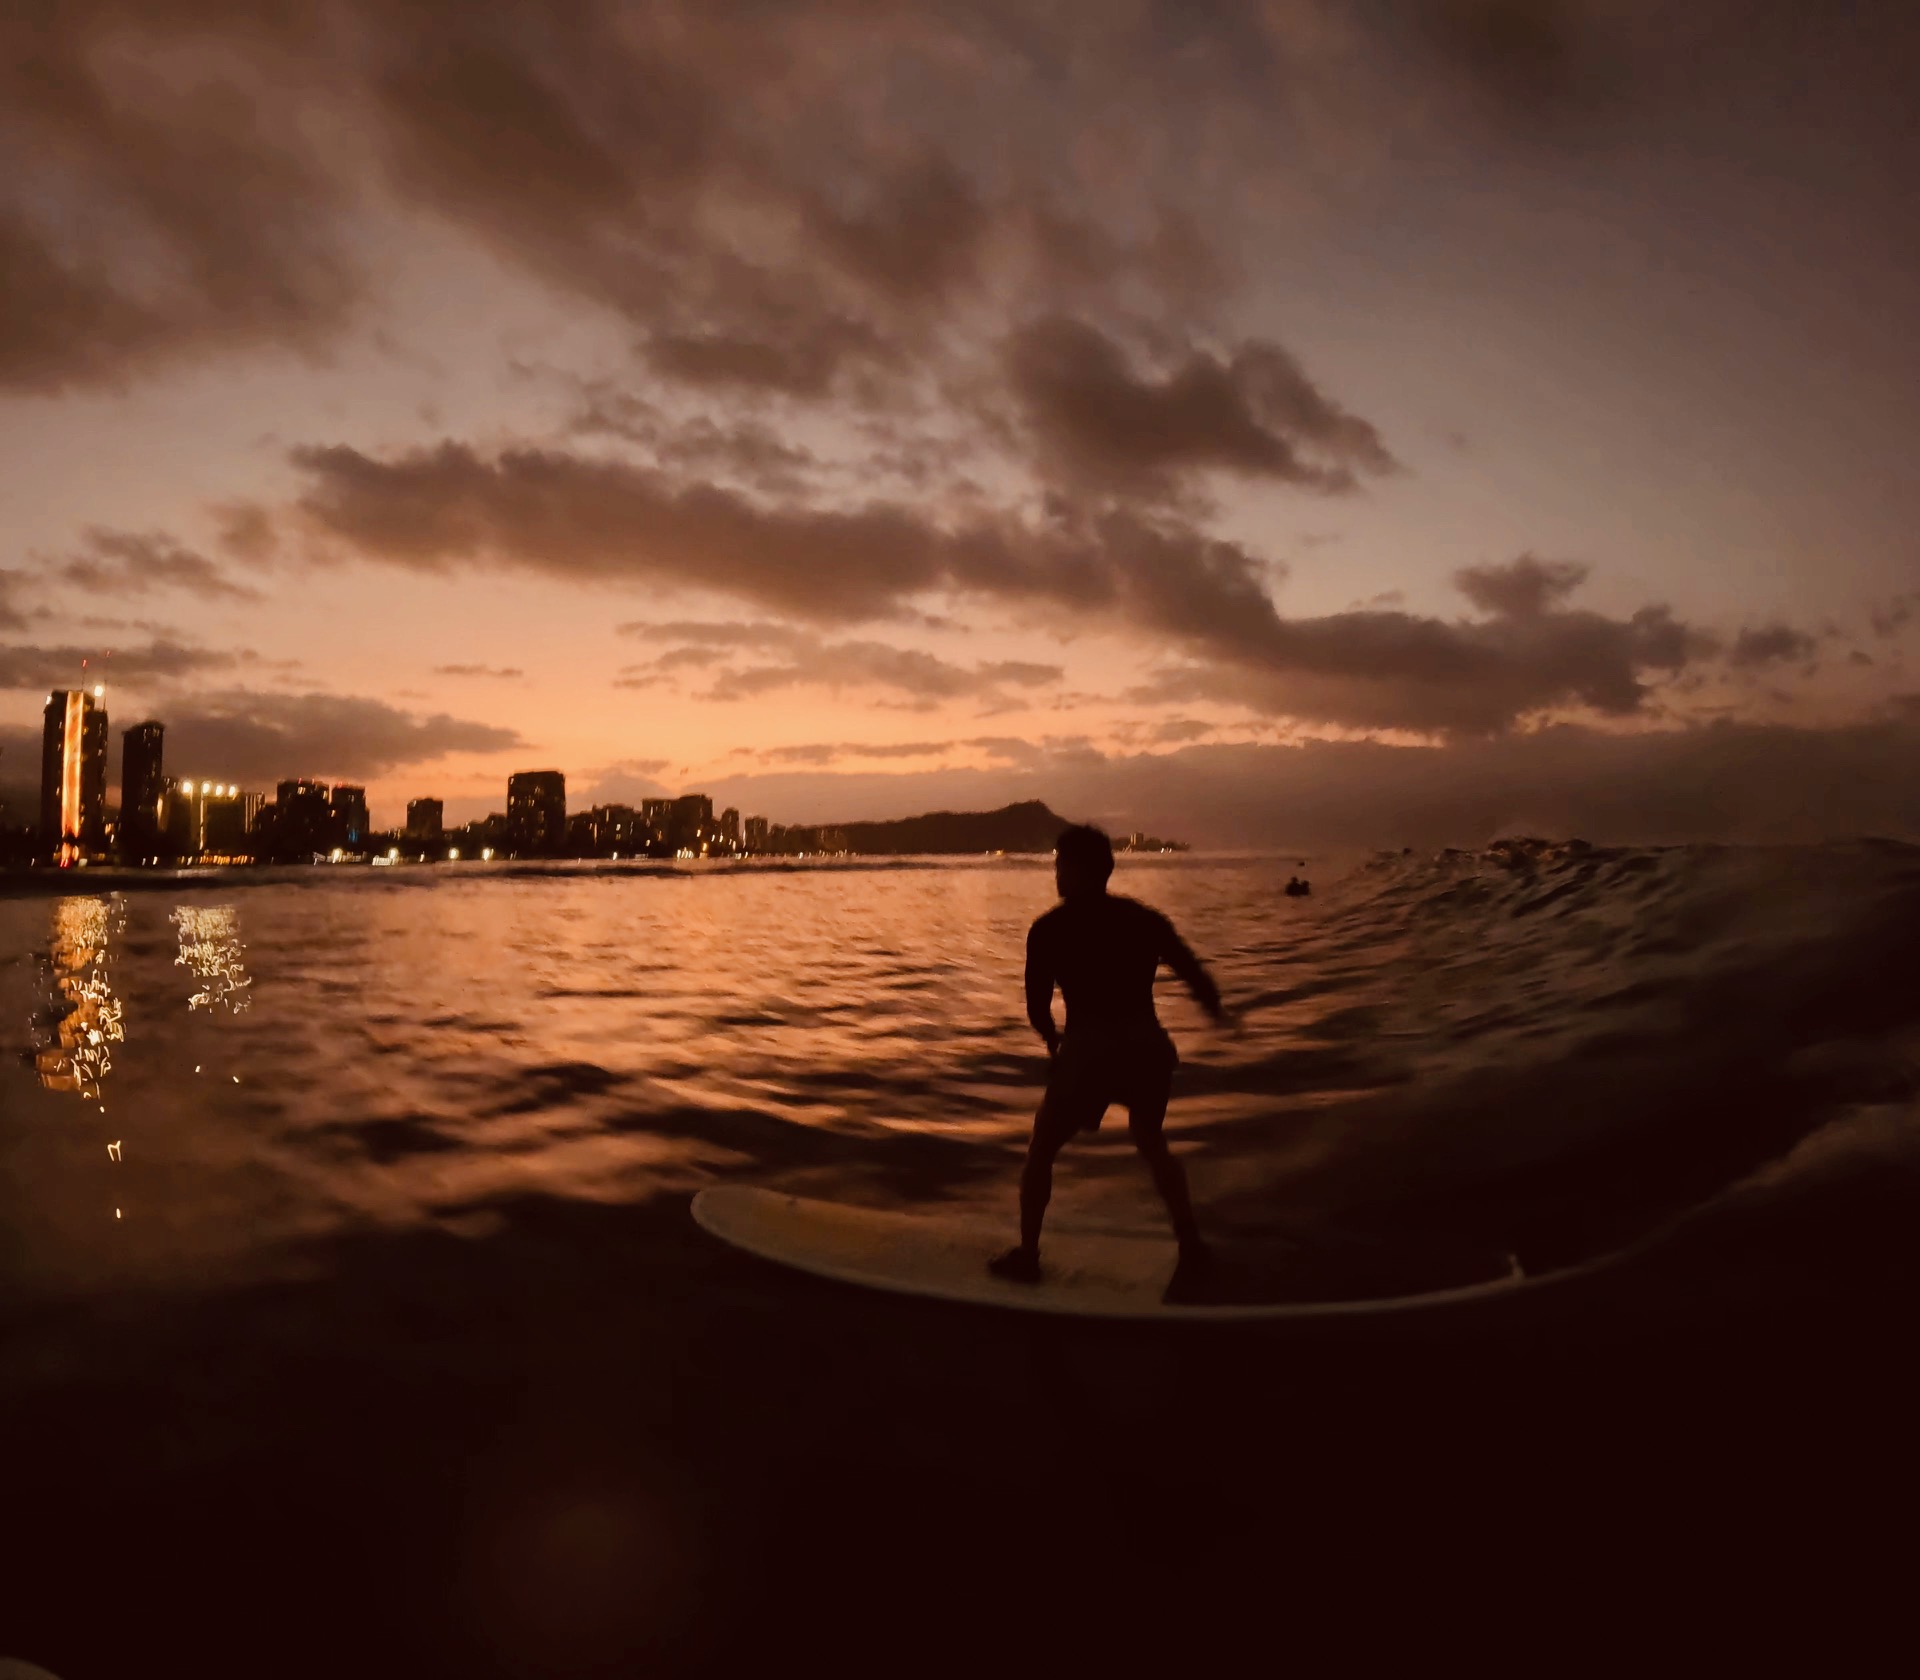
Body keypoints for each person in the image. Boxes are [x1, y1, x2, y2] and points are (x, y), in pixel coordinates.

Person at [990, 824, 1233, 1297]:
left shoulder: (1049, 930)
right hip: (1147, 1048)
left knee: (1042, 1150)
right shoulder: (1144, 919)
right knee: (1151, 1142)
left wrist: (1053, 1043)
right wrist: (1218, 1013)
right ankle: (1191, 1244)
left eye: (1061, 864)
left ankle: (1027, 1256)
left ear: (1080, 869)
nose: (1056, 873)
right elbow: (1194, 974)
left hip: (1090, 1052)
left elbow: (1038, 1009)